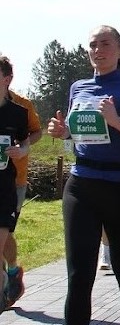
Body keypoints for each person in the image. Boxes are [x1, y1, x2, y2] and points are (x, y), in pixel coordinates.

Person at [47, 25, 120, 325]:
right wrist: (64, 132)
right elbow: (81, 133)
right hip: (82, 185)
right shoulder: (78, 87)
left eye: (105, 44)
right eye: (92, 45)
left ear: (119, 49)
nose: (98, 50)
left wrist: (116, 120)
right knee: (79, 273)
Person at [2, 61, 42, 308]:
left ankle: (12, 272)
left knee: (7, 231)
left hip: (14, 178)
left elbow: (35, 133)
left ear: (8, 78)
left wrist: (22, 149)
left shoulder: (22, 106)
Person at [0, 56, 30, 314]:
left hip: (6, 187)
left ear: (6, 79)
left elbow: (28, 139)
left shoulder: (19, 112)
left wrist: (21, 151)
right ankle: (11, 274)